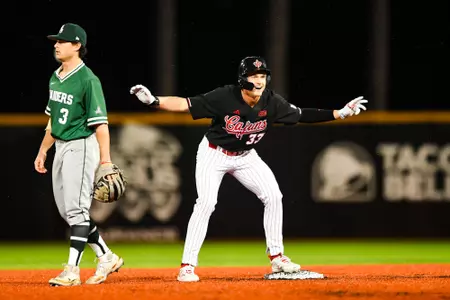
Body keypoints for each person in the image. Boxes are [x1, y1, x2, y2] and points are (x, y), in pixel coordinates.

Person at [130, 56, 368, 282]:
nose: (259, 80)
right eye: (253, 75)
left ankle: (277, 258)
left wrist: (340, 113)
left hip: (246, 156)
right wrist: (154, 101)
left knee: (274, 196)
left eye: (262, 75)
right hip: (214, 153)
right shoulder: (224, 96)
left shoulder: (271, 101)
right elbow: (185, 104)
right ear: (242, 79)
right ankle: (187, 266)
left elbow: (301, 115)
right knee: (206, 203)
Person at [34, 23, 124, 286]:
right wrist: (43, 150)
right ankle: (106, 256)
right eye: (56, 41)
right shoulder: (55, 76)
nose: (56, 45)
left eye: (62, 41)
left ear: (77, 46)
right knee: (69, 212)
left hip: (82, 145)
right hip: (61, 146)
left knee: (76, 209)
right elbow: (52, 122)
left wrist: (105, 160)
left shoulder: (88, 80)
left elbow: (101, 124)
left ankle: (72, 270)